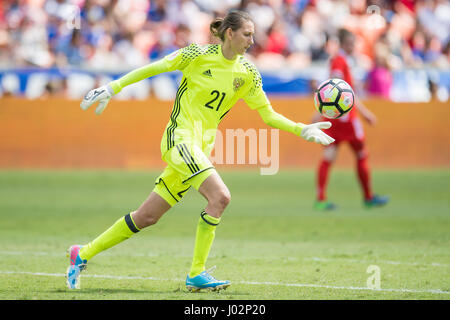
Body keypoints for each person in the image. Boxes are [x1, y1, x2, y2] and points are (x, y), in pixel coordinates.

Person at [67, 10, 334, 291]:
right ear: (229, 33)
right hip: (179, 140)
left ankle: (81, 253)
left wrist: (301, 128)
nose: (252, 41)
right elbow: (154, 68)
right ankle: (197, 273)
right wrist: (113, 86)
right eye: (247, 34)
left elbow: (267, 115)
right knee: (220, 197)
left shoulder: (248, 73)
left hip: (199, 150)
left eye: (253, 35)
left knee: (147, 216)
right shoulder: (196, 54)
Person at [313, 28, 389, 211]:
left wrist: (319, 113)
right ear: (343, 44)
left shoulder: (339, 60)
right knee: (362, 153)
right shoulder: (339, 62)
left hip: (334, 119)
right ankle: (368, 197)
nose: (352, 46)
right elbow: (339, 90)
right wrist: (364, 113)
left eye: (353, 44)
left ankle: (321, 199)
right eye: (350, 43)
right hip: (346, 120)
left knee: (328, 157)